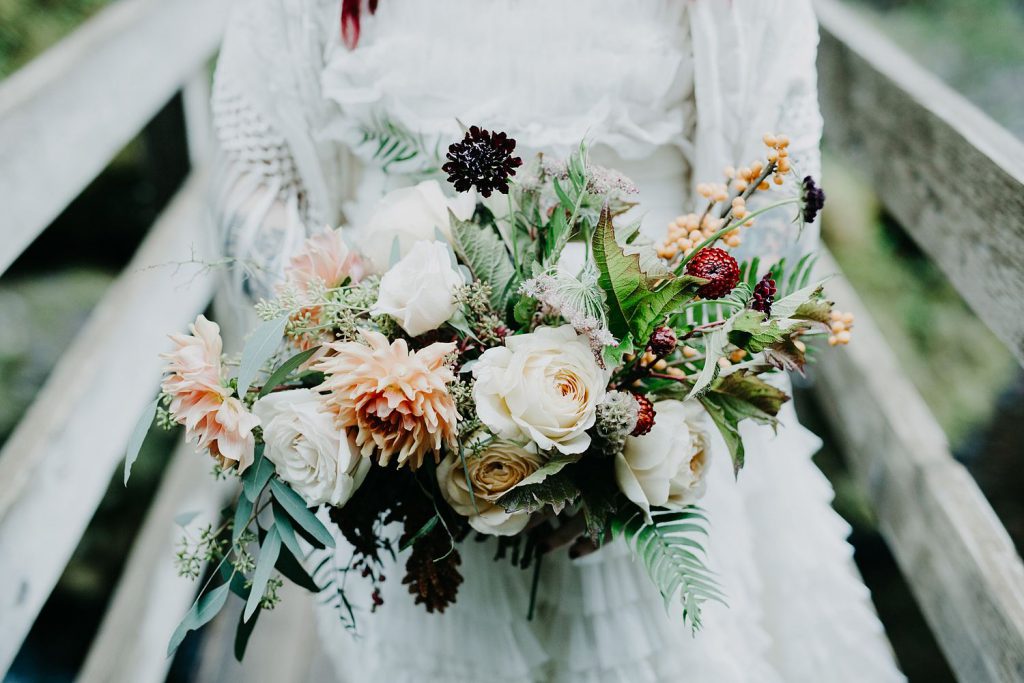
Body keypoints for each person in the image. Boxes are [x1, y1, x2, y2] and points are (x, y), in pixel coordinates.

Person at [209, 1, 907, 680]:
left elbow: (776, 182)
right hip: (404, 454)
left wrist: (643, 406)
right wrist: (371, 378)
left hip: (654, 432)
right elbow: (256, 183)